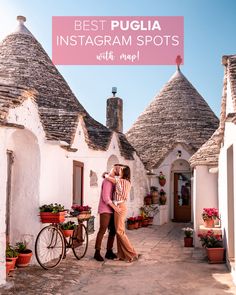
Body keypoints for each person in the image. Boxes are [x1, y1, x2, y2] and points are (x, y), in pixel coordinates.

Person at [105, 166, 138, 263]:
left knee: (120, 232)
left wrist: (106, 175)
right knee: (118, 231)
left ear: (124, 172)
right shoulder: (125, 181)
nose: (119, 170)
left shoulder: (122, 181)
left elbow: (108, 178)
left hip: (119, 207)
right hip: (119, 206)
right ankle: (122, 255)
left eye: (121, 170)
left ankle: (132, 254)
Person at [94, 166, 121, 261]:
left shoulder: (112, 180)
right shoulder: (107, 181)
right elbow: (105, 198)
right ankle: (97, 252)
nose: (120, 171)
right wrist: (115, 208)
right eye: (119, 169)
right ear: (115, 169)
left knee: (113, 231)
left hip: (112, 210)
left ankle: (109, 252)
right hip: (105, 209)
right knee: (102, 230)